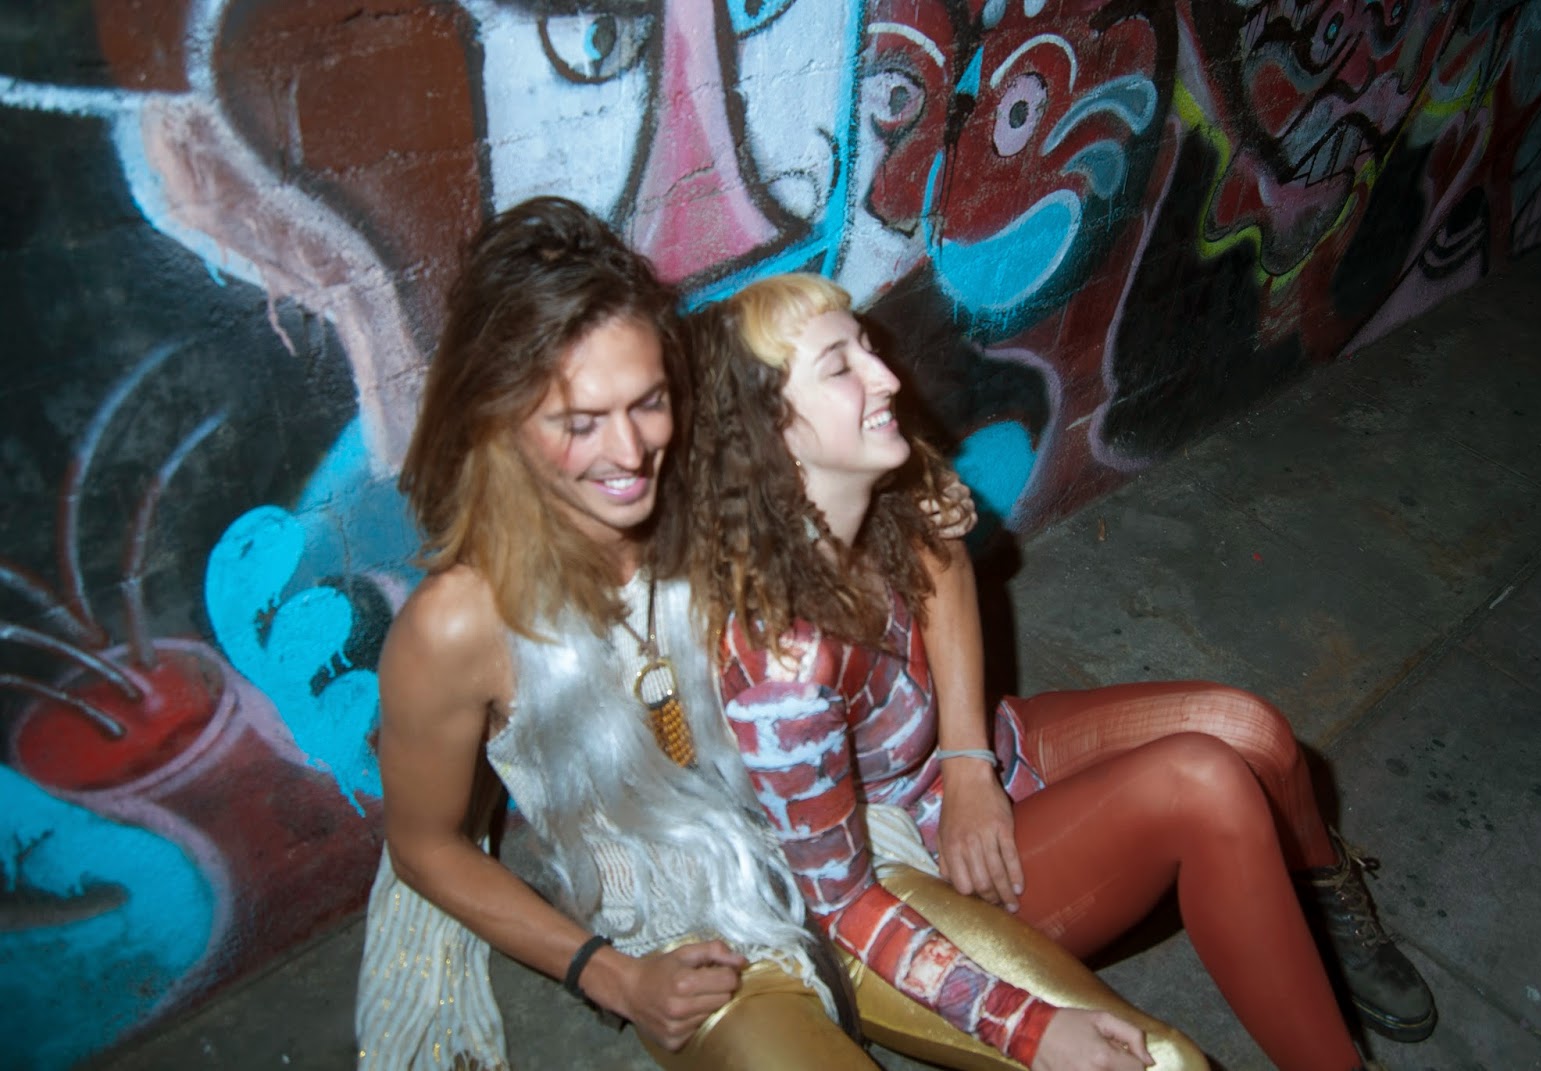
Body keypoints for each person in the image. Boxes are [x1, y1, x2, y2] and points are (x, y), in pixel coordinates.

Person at [354, 197, 1204, 1071]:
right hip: (697, 946)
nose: (631, 452)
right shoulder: (456, 625)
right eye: (579, 422)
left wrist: (963, 755)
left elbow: (922, 538)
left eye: (649, 403)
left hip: (853, 858)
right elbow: (424, 844)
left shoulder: (705, 483)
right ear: (499, 422)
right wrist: (610, 976)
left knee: (1153, 1059)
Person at [685, 273, 1436, 1071]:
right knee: (1205, 782)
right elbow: (841, 906)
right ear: (769, 431)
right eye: (841, 366)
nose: (887, 376)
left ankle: (1324, 898)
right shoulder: (780, 671)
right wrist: (1023, 1021)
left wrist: (968, 759)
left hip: (979, 755)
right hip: (939, 869)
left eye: (868, 347)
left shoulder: (874, 476)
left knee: (1260, 733)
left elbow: (943, 564)